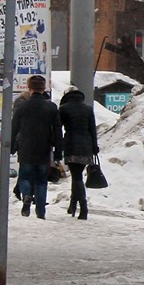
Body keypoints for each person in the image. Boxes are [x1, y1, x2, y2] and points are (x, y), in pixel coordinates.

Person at [12, 75, 61, 219]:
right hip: (44, 149)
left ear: (29, 87)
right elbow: (57, 131)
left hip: (25, 147)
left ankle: (27, 195)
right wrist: (58, 152)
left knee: (25, 177)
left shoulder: (22, 106)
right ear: (43, 88)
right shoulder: (51, 107)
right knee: (41, 181)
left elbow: (14, 127)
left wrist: (11, 146)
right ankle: (41, 212)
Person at [59, 86, 99, 220]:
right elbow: (92, 129)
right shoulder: (88, 109)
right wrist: (94, 146)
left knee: (76, 177)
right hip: (86, 146)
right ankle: (73, 204)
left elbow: (58, 127)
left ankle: (83, 207)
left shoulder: (64, 109)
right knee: (77, 175)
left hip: (71, 144)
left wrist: (57, 145)